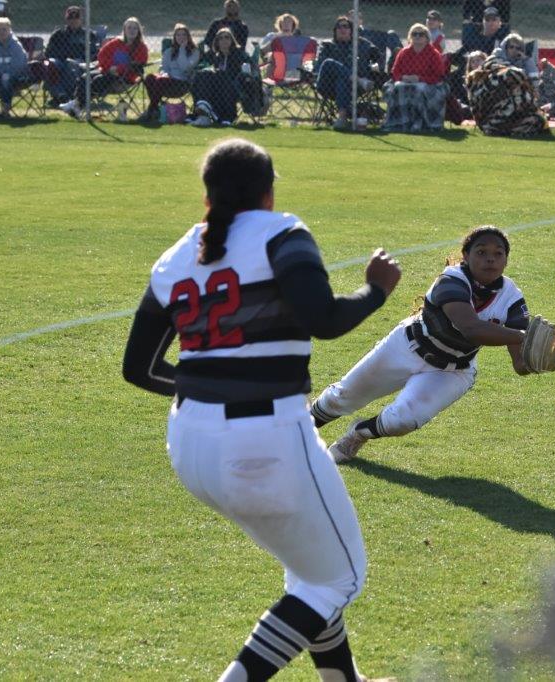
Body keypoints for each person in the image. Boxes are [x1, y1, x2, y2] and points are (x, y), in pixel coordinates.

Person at [121, 138, 401, 682]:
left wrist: (215, 384)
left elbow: (138, 369)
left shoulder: (173, 258)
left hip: (189, 443)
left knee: (312, 573)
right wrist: (375, 291)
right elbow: (323, 319)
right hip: (264, 437)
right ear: (269, 191)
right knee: (334, 581)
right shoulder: (281, 232)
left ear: (207, 195)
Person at [311, 226, 530, 463]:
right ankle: (296, 433)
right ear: (466, 256)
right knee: (340, 398)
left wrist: (543, 358)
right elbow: (470, 328)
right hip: (407, 347)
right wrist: (523, 336)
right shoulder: (451, 279)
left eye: (499, 253)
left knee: (401, 421)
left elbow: (520, 365)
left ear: (507, 260)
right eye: (481, 251)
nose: (490, 258)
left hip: (453, 370)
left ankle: (358, 433)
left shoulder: (511, 297)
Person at [59, 17, 148, 119]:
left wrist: (118, 69)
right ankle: (78, 106)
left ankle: (76, 104)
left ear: (139, 31)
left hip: (125, 78)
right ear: (124, 30)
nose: (132, 31)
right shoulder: (117, 42)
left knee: (98, 80)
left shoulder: (141, 47)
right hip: (107, 71)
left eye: (135, 28)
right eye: (129, 28)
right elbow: (102, 55)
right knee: (85, 77)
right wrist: (110, 67)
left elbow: (136, 65)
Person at [314, 15, 382, 129]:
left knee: (342, 80)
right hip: (327, 84)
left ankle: (342, 118)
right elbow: (321, 65)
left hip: (352, 87)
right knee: (329, 62)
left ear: (351, 30)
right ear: (334, 31)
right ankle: (358, 79)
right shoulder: (327, 45)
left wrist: (375, 67)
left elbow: (378, 56)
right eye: (339, 27)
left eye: (345, 26)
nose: (342, 29)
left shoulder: (361, 44)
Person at [383, 23, 447, 133]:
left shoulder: (433, 53)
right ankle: (400, 122)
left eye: (421, 34)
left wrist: (420, 79)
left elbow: (438, 76)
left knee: (419, 89)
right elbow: (395, 72)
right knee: (399, 88)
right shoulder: (404, 52)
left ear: (427, 38)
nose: (417, 36)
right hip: (405, 82)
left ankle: (420, 122)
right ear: (410, 37)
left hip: (429, 84)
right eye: (414, 34)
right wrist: (403, 77)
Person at [190, 27, 260, 126]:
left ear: (232, 40)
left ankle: (225, 116)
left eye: (227, 37)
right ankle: (202, 106)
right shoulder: (216, 55)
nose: (224, 40)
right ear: (217, 41)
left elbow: (248, 71)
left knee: (221, 75)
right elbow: (201, 63)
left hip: (235, 86)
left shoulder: (239, 54)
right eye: (220, 38)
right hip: (217, 87)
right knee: (201, 74)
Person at [466, 52, 547, 136]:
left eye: (478, 60)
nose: (476, 63)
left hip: (512, 111)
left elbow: (518, 76)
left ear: (485, 60)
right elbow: (475, 106)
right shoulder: (472, 81)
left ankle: (507, 129)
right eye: (473, 61)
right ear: (469, 65)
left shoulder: (498, 74)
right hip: (491, 115)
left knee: (537, 120)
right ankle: (500, 128)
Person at [139, 23, 198, 122]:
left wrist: (182, 49)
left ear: (188, 37)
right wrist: (164, 73)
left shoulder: (194, 52)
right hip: (166, 81)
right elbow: (163, 67)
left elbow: (184, 68)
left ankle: (152, 109)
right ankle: (154, 108)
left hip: (182, 83)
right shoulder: (168, 51)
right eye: (178, 35)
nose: (181, 37)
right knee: (149, 77)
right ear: (174, 37)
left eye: (184, 35)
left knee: (159, 81)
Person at [44, 5, 100, 105]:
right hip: (60, 61)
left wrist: (79, 59)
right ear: (66, 19)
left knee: (72, 65)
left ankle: (68, 97)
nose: (73, 20)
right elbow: (48, 52)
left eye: (76, 18)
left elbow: (95, 54)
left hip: (81, 63)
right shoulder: (58, 34)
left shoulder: (89, 35)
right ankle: (60, 95)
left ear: (81, 19)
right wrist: (64, 57)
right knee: (50, 65)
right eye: (70, 18)